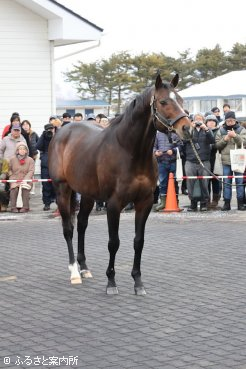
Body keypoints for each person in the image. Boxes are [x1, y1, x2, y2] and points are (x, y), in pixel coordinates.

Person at [183, 113, 215, 212]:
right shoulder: (189, 130)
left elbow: (212, 140)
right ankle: (193, 203)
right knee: (190, 183)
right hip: (190, 161)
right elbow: (184, 141)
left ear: (203, 121)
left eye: (200, 119)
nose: (198, 121)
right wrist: (190, 128)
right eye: (196, 119)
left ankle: (204, 203)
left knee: (204, 183)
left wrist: (206, 128)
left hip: (204, 161)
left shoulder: (207, 130)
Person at [215, 111, 246, 211]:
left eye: (232, 120)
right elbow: (217, 145)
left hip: (239, 161)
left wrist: (235, 136)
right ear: (225, 121)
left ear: (235, 120)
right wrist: (226, 138)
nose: (230, 122)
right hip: (226, 161)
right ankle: (226, 203)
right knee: (226, 183)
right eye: (228, 120)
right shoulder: (221, 131)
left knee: (239, 182)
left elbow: (244, 143)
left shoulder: (242, 130)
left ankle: (240, 203)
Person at [153, 128, 183, 211]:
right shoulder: (157, 134)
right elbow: (153, 147)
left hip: (173, 162)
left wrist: (173, 151)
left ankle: (175, 202)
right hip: (161, 162)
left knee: (174, 182)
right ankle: (163, 203)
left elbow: (180, 146)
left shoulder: (175, 134)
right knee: (162, 182)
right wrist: (156, 152)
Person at [8, 142, 35, 213]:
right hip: (15, 179)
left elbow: (31, 171)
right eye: (20, 149)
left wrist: (25, 180)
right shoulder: (12, 159)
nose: (22, 150)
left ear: (26, 151)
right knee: (14, 190)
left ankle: (25, 207)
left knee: (25, 188)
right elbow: (9, 170)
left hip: (26, 179)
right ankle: (13, 207)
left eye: (24, 149)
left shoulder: (30, 160)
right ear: (17, 150)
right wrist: (12, 179)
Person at [36, 123, 56, 210]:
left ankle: (58, 202)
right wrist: (43, 136)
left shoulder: (57, 136)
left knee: (57, 184)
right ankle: (47, 203)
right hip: (45, 163)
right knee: (46, 184)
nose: (50, 131)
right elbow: (38, 146)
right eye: (49, 129)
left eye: (51, 129)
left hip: (56, 162)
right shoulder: (43, 136)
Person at [205, 114, 221, 208]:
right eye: (209, 121)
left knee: (216, 180)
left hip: (216, 158)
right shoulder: (203, 131)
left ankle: (215, 200)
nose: (211, 123)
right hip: (205, 158)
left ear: (215, 122)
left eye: (213, 121)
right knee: (205, 180)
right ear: (206, 122)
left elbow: (219, 143)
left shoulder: (219, 131)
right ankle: (207, 199)